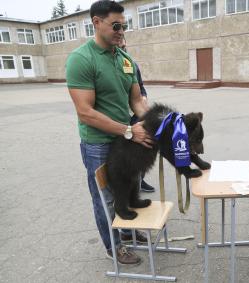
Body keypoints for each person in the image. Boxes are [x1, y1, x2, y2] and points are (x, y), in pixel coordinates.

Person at [66, 0, 154, 265]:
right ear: (96, 23)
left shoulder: (125, 59)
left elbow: (137, 102)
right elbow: (86, 112)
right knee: (104, 198)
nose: (121, 31)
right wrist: (129, 130)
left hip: (126, 139)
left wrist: (156, 124)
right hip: (99, 144)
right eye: (116, 26)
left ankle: (126, 231)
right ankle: (113, 247)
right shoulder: (81, 59)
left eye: (124, 26)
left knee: (128, 188)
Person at [118, 37, 155, 193]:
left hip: (135, 117)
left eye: (125, 44)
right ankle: (132, 183)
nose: (123, 46)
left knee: (143, 151)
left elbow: (140, 89)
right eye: (120, 44)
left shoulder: (130, 64)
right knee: (126, 158)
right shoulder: (106, 65)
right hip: (119, 120)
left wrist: (143, 98)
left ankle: (140, 180)